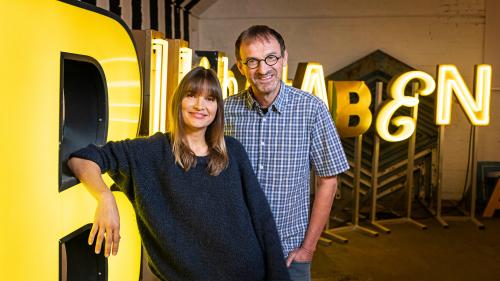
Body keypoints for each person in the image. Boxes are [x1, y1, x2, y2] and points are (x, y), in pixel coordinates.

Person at [68, 67, 290, 281]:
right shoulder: (151, 151)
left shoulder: (232, 151)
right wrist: (105, 197)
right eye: (191, 95)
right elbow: (82, 158)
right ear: (179, 102)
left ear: (217, 108)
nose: (199, 105)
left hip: (250, 274)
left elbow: (262, 219)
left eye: (210, 99)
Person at [224, 25, 350, 281]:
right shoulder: (226, 111)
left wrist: (308, 248)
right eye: (252, 61)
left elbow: (328, 180)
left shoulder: (311, 109)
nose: (263, 69)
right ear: (240, 65)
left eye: (271, 58)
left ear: (284, 59)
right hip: (236, 251)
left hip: (289, 252)